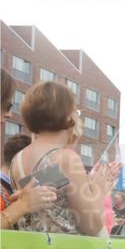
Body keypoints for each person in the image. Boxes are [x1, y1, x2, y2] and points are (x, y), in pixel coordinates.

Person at [8, 81, 117, 236]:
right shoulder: (65, 159)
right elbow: (92, 226)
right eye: (75, 112)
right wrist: (99, 189)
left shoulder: (16, 160)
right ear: (66, 115)